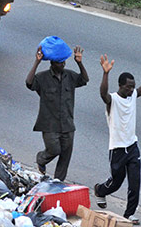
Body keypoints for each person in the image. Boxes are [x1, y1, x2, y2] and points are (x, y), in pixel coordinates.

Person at [94, 43, 141, 224]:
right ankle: (100, 190)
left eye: (132, 87)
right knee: (116, 182)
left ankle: (129, 214)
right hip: (118, 148)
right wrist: (105, 73)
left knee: (135, 184)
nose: (131, 90)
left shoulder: (134, 96)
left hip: (132, 146)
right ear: (120, 85)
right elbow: (102, 93)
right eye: (128, 87)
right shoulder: (112, 99)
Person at [25, 37, 89, 181]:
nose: (62, 64)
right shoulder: (42, 78)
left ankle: (58, 182)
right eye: (59, 62)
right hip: (49, 124)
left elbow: (84, 79)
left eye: (63, 62)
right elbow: (29, 83)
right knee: (54, 150)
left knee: (65, 156)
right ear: (53, 63)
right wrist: (37, 61)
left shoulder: (70, 76)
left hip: (67, 124)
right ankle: (41, 159)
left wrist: (80, 63)